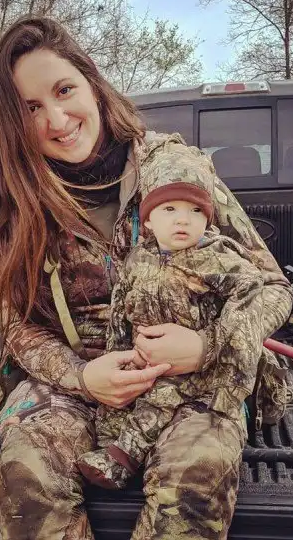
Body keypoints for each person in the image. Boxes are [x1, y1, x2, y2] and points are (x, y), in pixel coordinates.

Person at [0, 16, 293, 540]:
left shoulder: (175, 169)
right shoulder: (20, 198)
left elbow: (270, 285)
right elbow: (17, 327)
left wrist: (206, 347)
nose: (56, 119)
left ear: (91, 81)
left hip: (191, 378)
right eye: (30, 108)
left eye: (64, 90)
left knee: (197, 472)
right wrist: (80, 377)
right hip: (79, 380)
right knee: (25, 472)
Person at [77, 174, 266, 490]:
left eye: (196, 211)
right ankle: (109, 446)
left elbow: (251, 289)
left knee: (159, 399)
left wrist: (212, 344)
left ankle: (122, 460)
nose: (183, 219)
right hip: (147, 358)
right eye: (170, 209)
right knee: (117, 403)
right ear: (148, 221)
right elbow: (121, 307)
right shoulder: (139, 257)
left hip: (198, 369)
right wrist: (120, 354)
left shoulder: (217, 257)